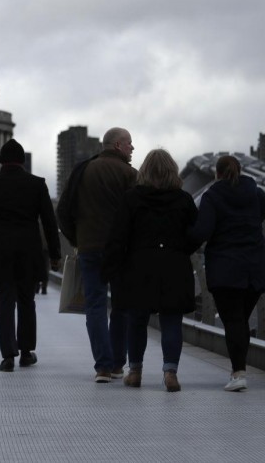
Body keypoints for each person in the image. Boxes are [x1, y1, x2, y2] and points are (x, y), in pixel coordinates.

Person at [191, 155, 265, 392]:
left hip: (225, 271)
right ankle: (239, 372)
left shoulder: (212, 196)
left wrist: (183, 243)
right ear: (240, 171)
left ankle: (238, 373)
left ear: (216, 174)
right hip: (255, 270)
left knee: (234, 321)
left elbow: (202, 232)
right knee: (240, 321)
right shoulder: (255, 193)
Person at [103, 149, 198, 392]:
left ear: (144, 171)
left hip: (139, 266)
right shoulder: (184, 199)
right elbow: (196, 233)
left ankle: (135, 372)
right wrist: (181, 250)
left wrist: (111, 269)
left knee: (136, 320)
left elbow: (118, 237)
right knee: (172, 321)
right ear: (172, 171)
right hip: (174, 266)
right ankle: (170, 373)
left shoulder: (131, 198)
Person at [57, 127, 137, 382]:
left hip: (89, 248)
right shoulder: (131, 175)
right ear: (118, 146)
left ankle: (102, 366)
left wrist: (76, 239)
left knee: (95, 305)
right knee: (122, 306)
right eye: (129, 143)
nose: (132, 148)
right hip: (121, 250)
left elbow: (63, 211)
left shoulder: (82, 171)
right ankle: (117, 364)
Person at [0, 139, 62, 372]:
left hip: (0, 252)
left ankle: (7, 355)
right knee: (27, 302)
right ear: (23, 160)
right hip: (28, 251)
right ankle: (25, 352)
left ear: (0, 160)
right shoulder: (37, 184)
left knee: (4, 304)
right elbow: (49, 222)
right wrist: (55, 254)